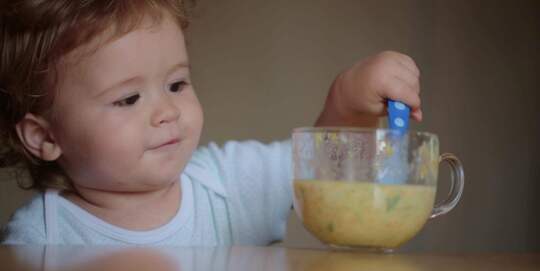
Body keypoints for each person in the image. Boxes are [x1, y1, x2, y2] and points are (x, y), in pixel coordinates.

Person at [0, 0, 421, 245]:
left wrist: (346, 103)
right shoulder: (39, 240)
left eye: (177, 84)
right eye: (128, 98)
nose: (167, 111)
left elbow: (325, 165)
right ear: (45, 136)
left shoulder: (230, 185)